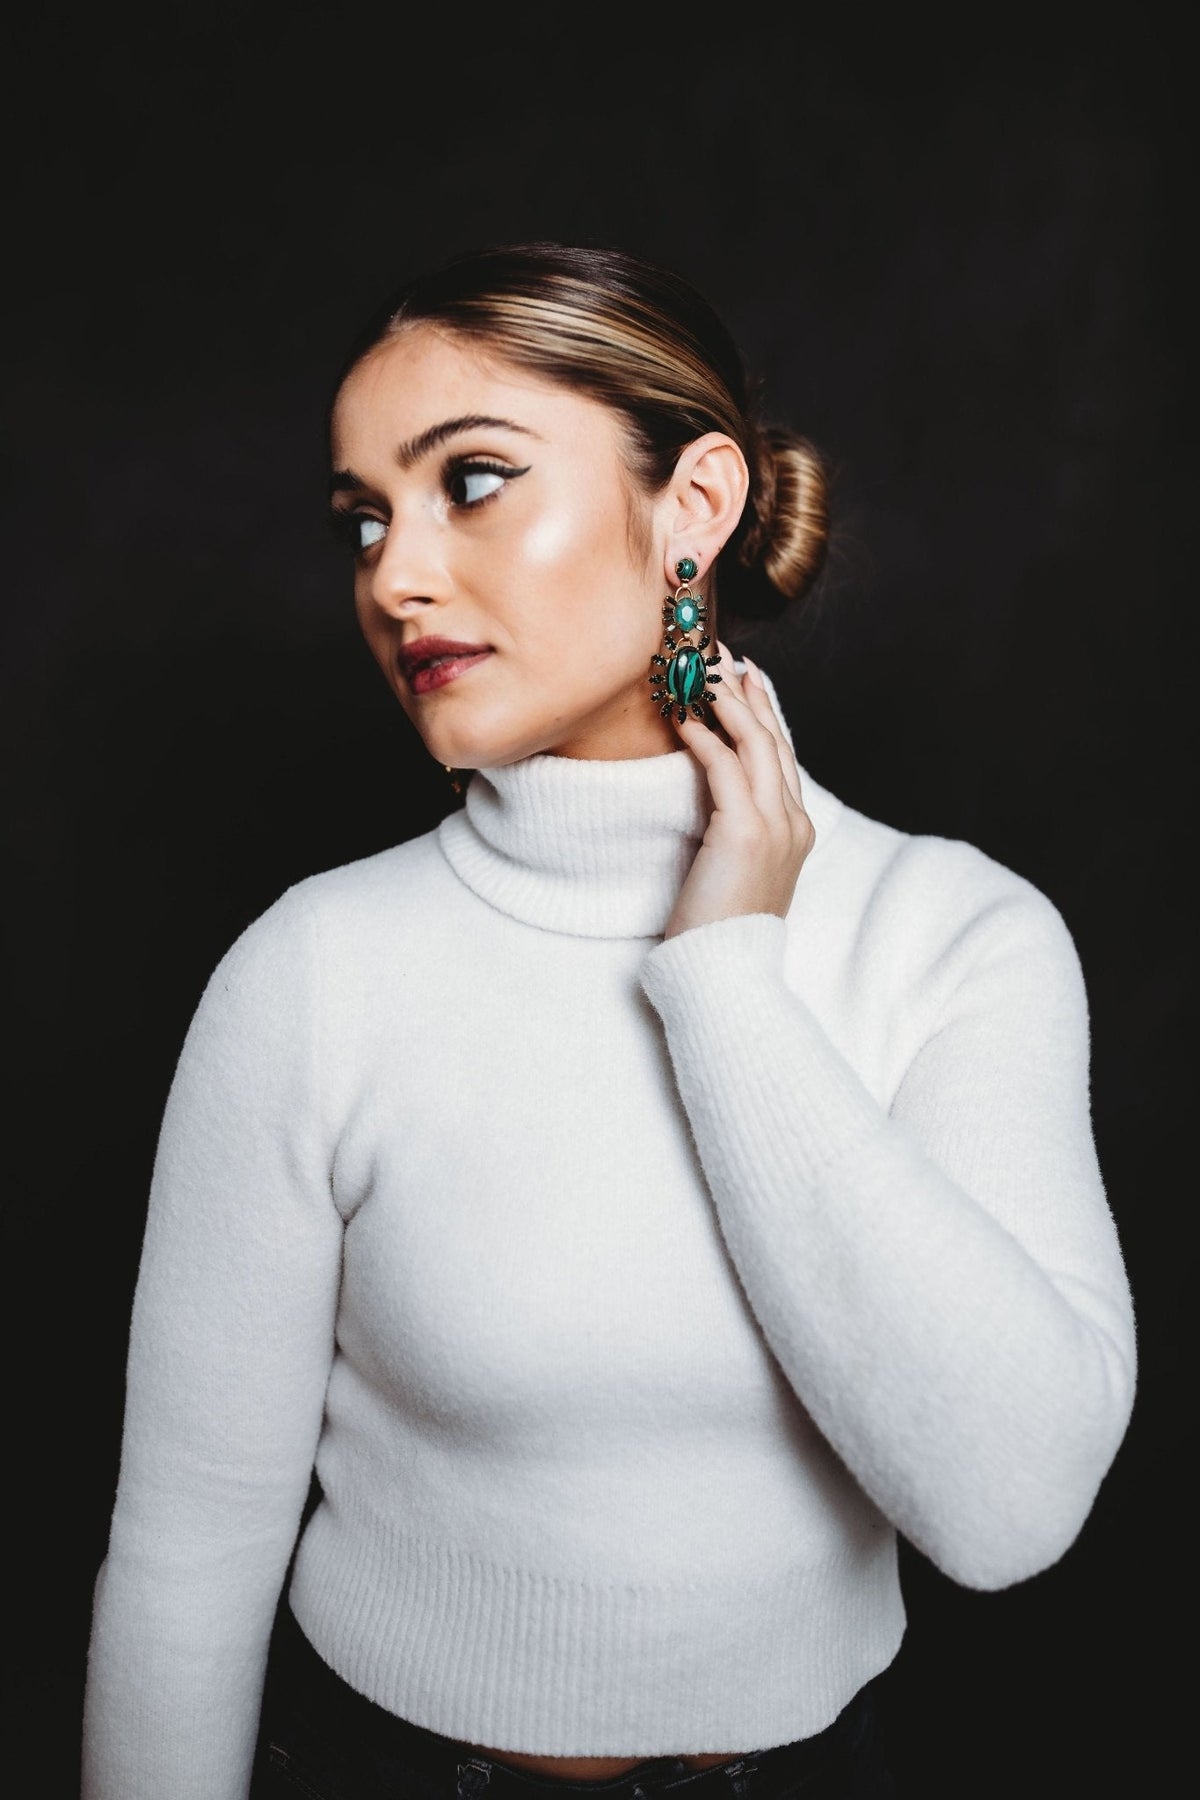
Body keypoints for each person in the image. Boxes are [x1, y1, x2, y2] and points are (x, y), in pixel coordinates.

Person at [81, 241, 1137, 1800]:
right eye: (365, 518)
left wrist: (727, 983)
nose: (393, 577)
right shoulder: (314, 971)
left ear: (693, 506)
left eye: (473, 482)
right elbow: (189, 1550)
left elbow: (1011, 1509)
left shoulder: (955, 940)